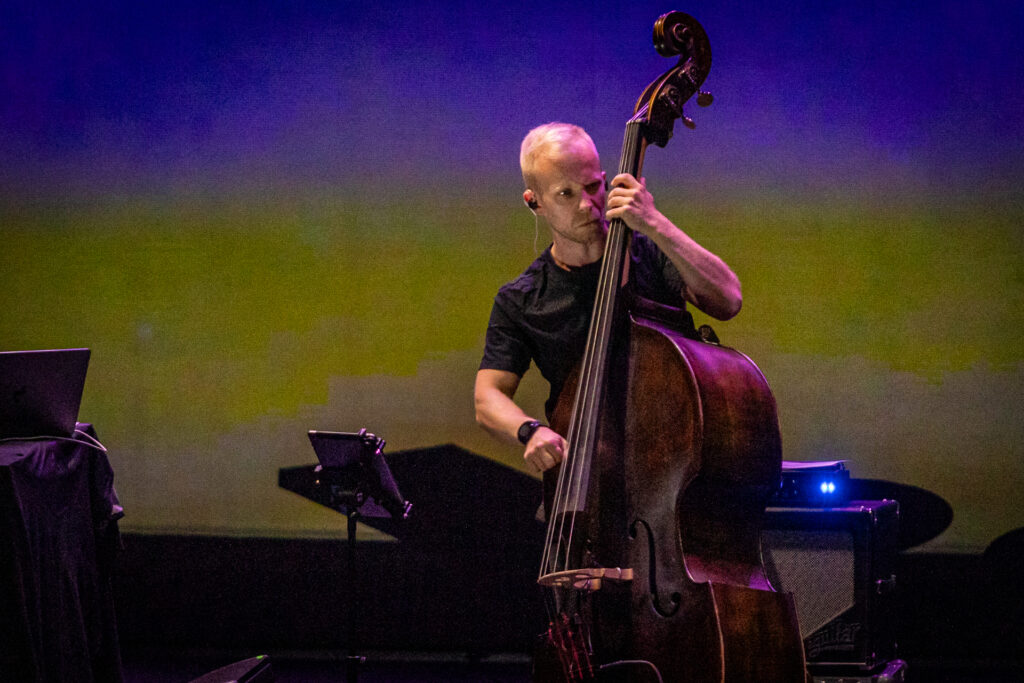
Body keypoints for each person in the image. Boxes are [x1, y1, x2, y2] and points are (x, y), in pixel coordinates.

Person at [474, 122, 742, 474]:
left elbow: (728, 299)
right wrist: (530, 431)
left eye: (592, 187)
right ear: (534, 202)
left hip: (679, 467)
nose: (587, 205)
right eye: (566, 194)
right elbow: (487, 396)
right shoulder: (521, 299)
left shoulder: (652, 252)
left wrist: (655, 222)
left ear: (605, 180)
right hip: (588, 477)